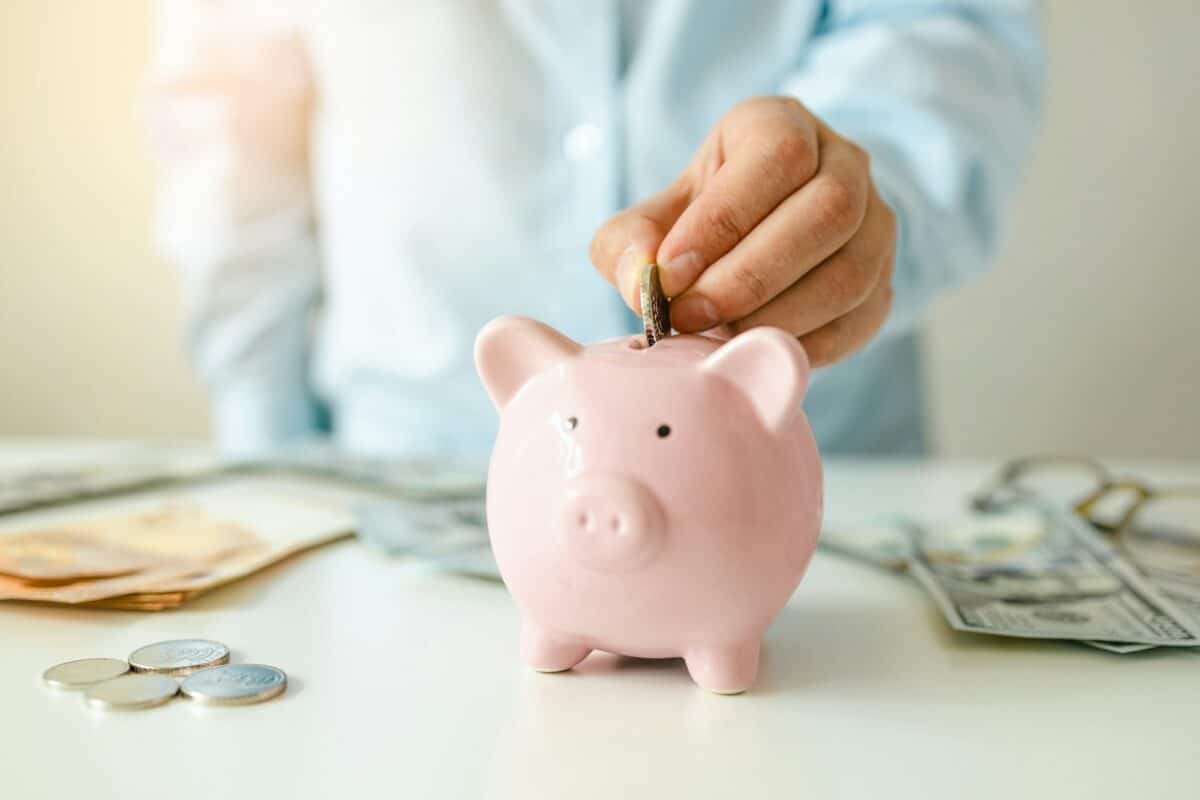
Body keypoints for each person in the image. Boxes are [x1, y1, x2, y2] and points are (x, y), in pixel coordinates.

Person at [147, 1, 1042, 459]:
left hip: (815, 450)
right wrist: (264, 443)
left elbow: (939, 27)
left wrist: (855, 195)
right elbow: (230, 119)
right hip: (410, 448)